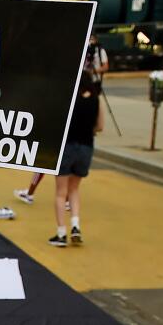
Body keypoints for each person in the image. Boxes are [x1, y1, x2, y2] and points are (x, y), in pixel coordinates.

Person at [49, 80, 103, 248]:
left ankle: (61, 233)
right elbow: (100, 126)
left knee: (60, 193)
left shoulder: (69, 97)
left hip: (67, 145)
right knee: (74, 190)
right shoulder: (96, 99)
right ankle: (75, 226)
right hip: (86, 147)